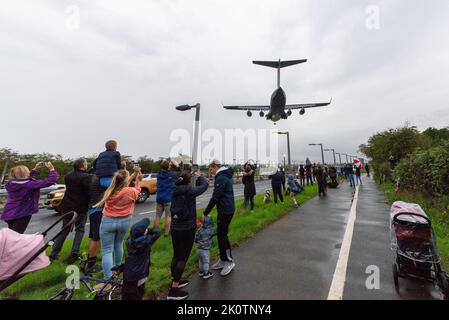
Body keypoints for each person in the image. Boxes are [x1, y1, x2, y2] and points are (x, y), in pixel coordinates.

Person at [95, 168, 142, 281]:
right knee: (119, 244)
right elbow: (137, 190)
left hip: (108, 221)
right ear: (126, 181)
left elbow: (123, 183)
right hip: (124, 221)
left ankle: (108, 279)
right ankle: (117, 269)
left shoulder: (109, 191)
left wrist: (132, 176)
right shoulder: (130, 192)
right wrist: (138, 180)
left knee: (107, 250)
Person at [167, 171, 208, 300]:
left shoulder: (174, 190)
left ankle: (175, 280)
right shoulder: (190, 191)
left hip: (175, 227)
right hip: (187, 228)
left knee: (176, 255)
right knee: (182, 259)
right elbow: (205, 186)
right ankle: (174, 290)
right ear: (188, 181)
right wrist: (199, 176)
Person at [49, 159, 91, 264]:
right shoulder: (86, 177)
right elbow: (88, 191)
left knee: (64, 230)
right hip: (81, 207)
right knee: (80, 230)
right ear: (82, 166)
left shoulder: (68, 176)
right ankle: (74, 253)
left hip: (67, 206)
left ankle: (54, 253)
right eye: (86, 164)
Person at [1, 162, 58, 234]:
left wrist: (35, 169)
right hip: (21, 214)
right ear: (24, 173)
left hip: (9, 212)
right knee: (16, 237)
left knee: (11, 235)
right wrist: (52, 169)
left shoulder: (10, 183)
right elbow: (50, 181)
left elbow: (23, 179)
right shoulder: (29, 185)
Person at [203, 160, 236, 277]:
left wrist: (205, 212)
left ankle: (229, 261)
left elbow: (215, 197)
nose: (210, 172)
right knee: (221, 235)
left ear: (215, 167)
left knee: (223, 235)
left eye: (211, 169)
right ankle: (222, 260)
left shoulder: (221, 178)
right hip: (225, 209)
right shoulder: (223, 176)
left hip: (225, 211)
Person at [122, 218, 160, 300]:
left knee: (131, 294)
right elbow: (157, 233)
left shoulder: (129, 242)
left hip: (129, 274)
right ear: (144, 233)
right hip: (141, 273)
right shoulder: (147, 242)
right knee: (139, 291)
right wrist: (149, 230)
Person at [83, 169, 106, 273]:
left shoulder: (91, 178)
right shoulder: (100, 179)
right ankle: (91, 265)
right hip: (98, 209)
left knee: (93, 237)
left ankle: (91, 259)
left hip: (93, 208)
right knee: (96, 237)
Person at [154, 160, 173, 236]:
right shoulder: (170, 175)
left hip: (159, 198)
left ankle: (155, 233)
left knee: (157, 216)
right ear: (168, 167)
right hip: (168, 198)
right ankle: (166, 233)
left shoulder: (159, 174)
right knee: (168, 216)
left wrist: (167, 165)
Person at [194, 215, 217, 280]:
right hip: (205, 250)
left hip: (198, 249)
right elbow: (216, 231)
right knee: (206, 262)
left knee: (200, 261)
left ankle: (201, 272)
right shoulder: (210, 230)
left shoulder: (199, 230)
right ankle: (206, 273)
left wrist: (197, 242)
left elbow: (196, 239)